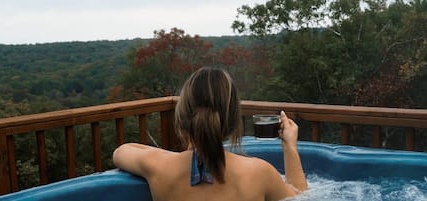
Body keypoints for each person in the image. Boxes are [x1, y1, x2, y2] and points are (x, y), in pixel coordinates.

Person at [113, 67, 307, 201]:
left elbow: (121, 151)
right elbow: (301, 197)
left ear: (182, 118)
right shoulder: (258, 173)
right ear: (231, 121)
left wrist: (179, 157)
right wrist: (289, 146)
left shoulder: (158, 167)